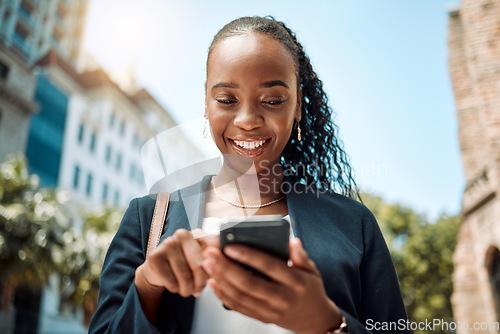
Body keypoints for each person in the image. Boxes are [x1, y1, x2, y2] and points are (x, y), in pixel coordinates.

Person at [89, 16, 409, 334]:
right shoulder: (148, 218)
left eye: (272, 100)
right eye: (227, 100)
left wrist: (328, 323)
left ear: (297, 106)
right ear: (206, 103)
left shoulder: (354, 224)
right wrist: (146, 286)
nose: (247, 120)